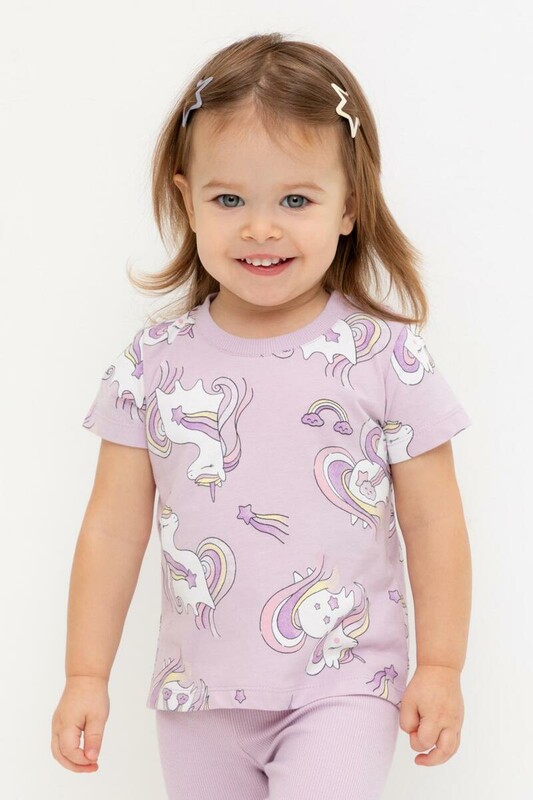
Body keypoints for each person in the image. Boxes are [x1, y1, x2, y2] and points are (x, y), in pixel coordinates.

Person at [51, 32, 473, 800]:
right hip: (196, 693)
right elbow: (111, 528)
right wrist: (85, 673)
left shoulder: (385, 357)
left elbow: (434, 522)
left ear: (349, 206)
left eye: (295, 200)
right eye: (229, 200)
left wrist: (440, 665)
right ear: (187, 200)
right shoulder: (151, 364)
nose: (260, 227)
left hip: (343, 683)